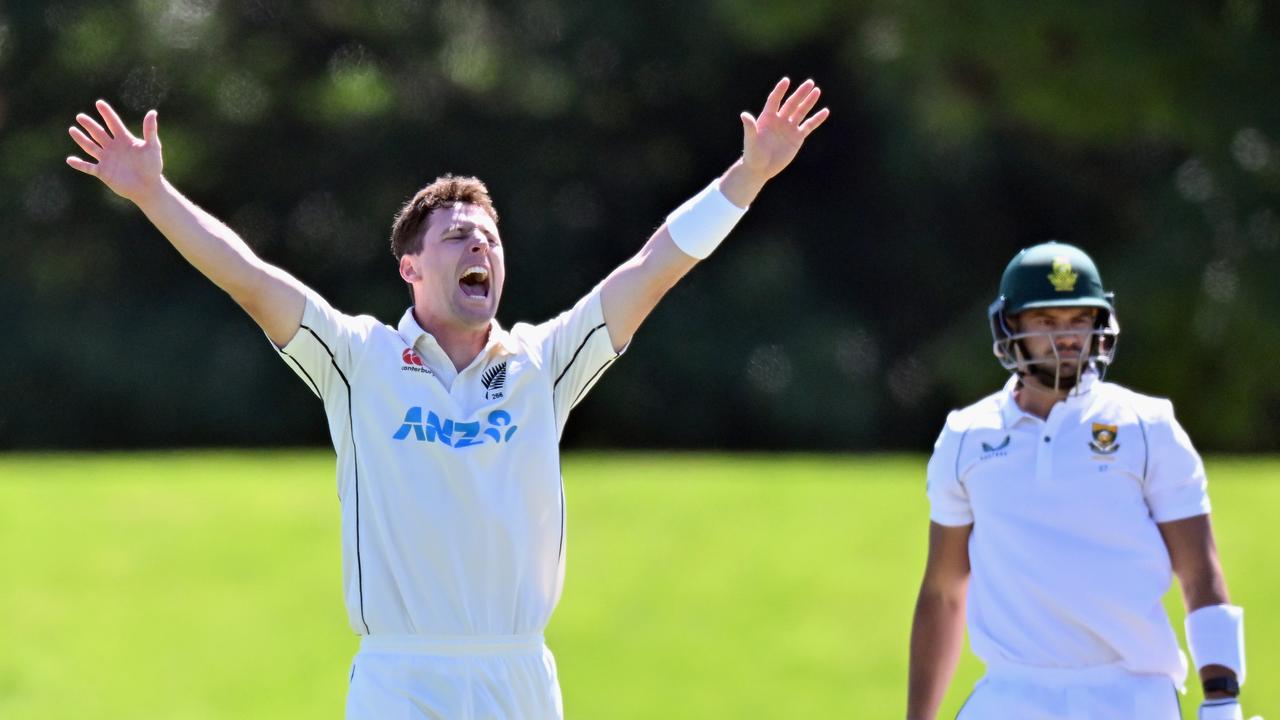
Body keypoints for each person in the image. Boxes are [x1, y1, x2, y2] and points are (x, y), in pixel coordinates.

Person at [65, 77, 828, 719]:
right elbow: (249, 278)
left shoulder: (546, 360)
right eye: (459, 236)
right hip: (402, 678)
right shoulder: (358, 358)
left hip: (518, 675)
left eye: (490, 239)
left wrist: (748, 176)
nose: (480, 249)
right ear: (411, 268)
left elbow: (654, 264)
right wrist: (154, 194)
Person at [906, 242, 1254, 720]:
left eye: (1078, 319)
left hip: (1132, 695)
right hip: (1011, 694)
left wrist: (1221, 698)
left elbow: (1199, 572)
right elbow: (944, 591)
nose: (1066, 337)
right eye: (1046, 321)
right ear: (1010, 326)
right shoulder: (966, 436)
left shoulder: (1147, 426)